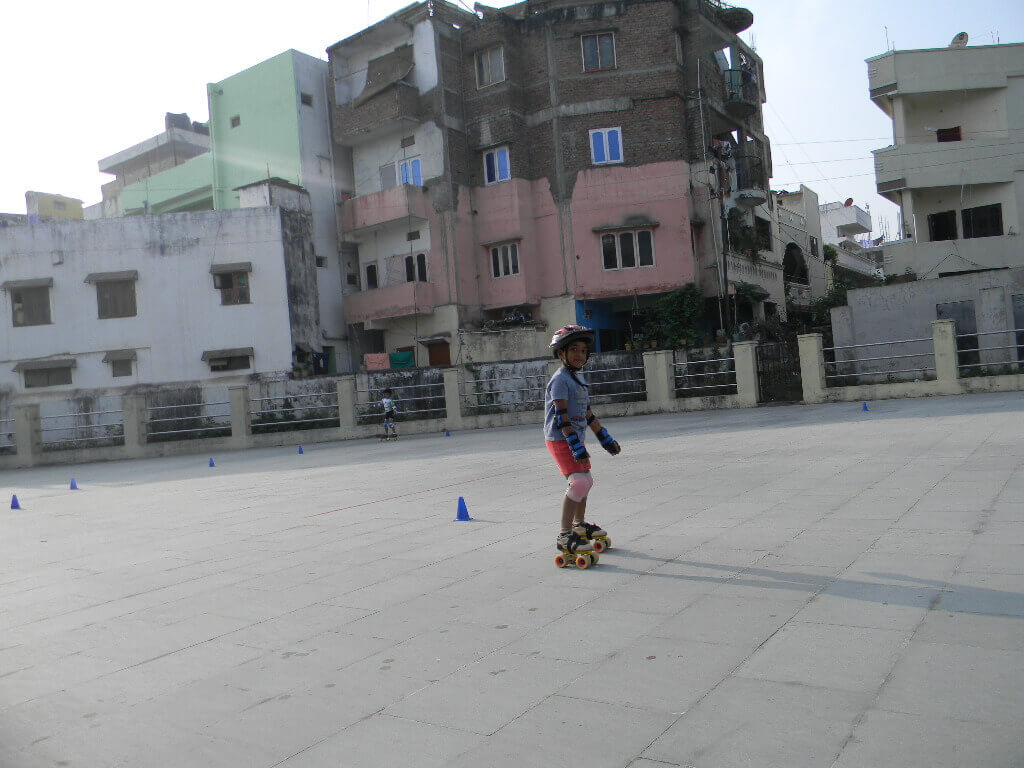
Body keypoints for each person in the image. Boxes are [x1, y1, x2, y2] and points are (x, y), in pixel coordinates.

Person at [544, 325, 622, 561]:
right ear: (561, 354)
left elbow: (588, 414)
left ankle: (579, 525)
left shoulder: (578, 379)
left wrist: (605, 439)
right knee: (578, 483)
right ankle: (565, 535)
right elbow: (562, 417)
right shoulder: (560, 380)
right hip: (560, 439)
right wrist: (577, 449)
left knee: (587, 482)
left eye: (583, 350)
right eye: (574, 349)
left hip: (575, 440)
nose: (579, 354)